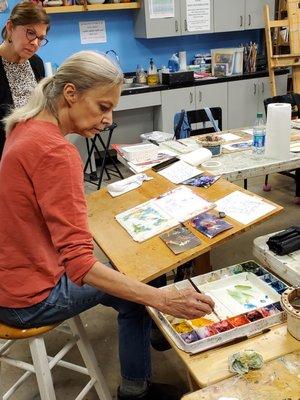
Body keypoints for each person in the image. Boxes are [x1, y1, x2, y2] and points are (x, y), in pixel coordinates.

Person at [0, 50, 215, 400]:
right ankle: (136, 389)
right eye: (102, 107)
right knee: (141, 287)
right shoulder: (56, 152)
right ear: (70, 93)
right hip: (27, 298)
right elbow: (81, 266)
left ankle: (154, 330)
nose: (108, 119)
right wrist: (161, 300)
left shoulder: (23, 126)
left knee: (131, 278)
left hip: (10, 275)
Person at [0, 1, 50, 159]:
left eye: (41, 38)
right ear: (10, 27)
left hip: (33, 153)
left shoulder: (36, 63)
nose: (35, 43)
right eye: (30, 33)